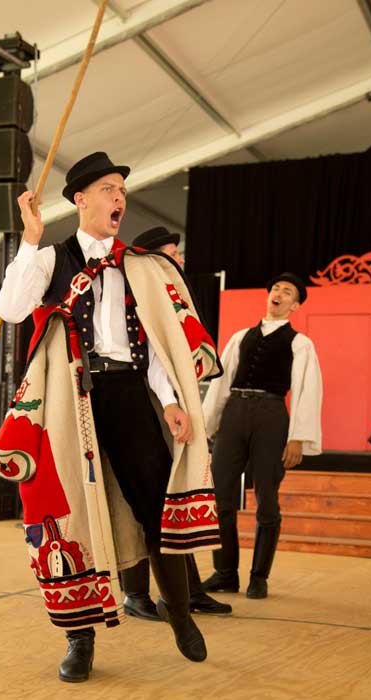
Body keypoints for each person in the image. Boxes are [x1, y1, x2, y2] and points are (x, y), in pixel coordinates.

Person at [0, 152, 223, 683]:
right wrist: (29, 240)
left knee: (154, 505)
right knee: (69, 516)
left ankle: (182, 615)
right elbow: (10, 308)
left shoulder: (139, 263)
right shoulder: (51, 259)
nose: (119, 198)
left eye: (121, 189)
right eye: (108, 189)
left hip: (125, 392)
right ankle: (80, 640)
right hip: (69, 397)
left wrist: (169, 401)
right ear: (80, 199)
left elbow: (158, 345)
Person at [119, 226, 232, 620]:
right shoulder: (136, 293)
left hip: (167, 402)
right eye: (171, 254)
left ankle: (188, 590)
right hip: (138, 403)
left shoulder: (172, 293)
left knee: (172, 494)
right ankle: (135, 592)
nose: (178, 261)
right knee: (139, 497)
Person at [202, 273, 322, 599]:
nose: (279, 293)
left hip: (271, 415)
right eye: (276, 288)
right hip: (235, 414)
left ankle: (259, 577)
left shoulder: (300, 343)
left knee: (267, 497)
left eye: (287, 292)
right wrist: (206, 425)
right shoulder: (241, 337)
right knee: (221, 496)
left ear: (294, 305)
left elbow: (307, 391)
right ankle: (225, 573)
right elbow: (220, 384)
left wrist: (297, 437)